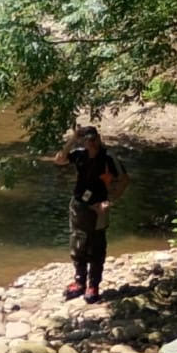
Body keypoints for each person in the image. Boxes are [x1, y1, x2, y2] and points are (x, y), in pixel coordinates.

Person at [53, 124, 131, 302]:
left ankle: (93, 286)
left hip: (99, 207)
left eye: (94, 139)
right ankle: (79, 282)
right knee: (77, 243)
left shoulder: (108, 157)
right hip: (78, 205)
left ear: (98, 138)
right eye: (88, 140)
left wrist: (110, 201)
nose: (92, 143)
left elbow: (124, 180)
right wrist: (72, 139)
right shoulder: (79, 154)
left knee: (96, 246)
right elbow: (59, 160)